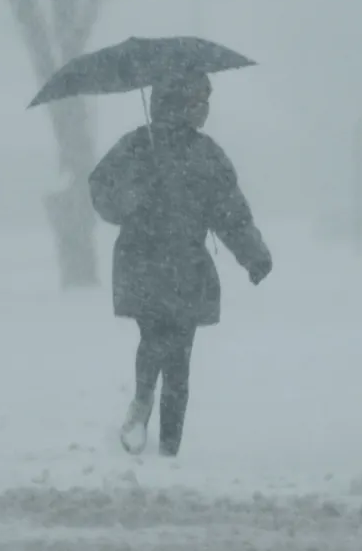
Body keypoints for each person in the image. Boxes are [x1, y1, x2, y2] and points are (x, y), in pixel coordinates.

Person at [88, 70, 272, 457]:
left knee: (164, 346)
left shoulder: (143, 146)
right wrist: (128, 201)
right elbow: (230, 213)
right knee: (172, 349)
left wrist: (253, 254)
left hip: (156, 264)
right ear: (178, 105)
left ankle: (152, 418)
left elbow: (230, 214)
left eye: (207, 101)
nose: (205, 110)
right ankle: (162, 434)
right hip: (172, 265)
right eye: (198, 102)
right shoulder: (195, 153)